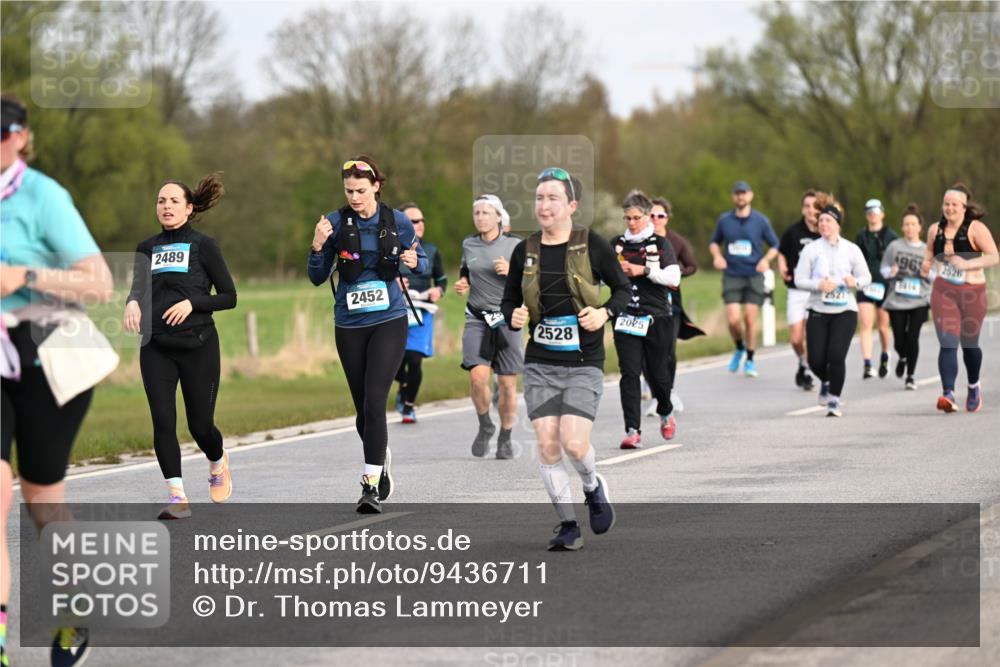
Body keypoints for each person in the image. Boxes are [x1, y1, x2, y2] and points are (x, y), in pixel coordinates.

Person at [1, 94, 114, 667]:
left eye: (0, 134)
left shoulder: (44, 197)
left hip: (48, 359)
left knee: (42, 503)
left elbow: (99, 284)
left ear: (20, 137)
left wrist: (21, 275)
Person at [500, 167, 631, 550]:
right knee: (547, 443)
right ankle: (568, 525)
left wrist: (604, 312)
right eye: (540, 198)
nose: (544, 205)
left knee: (574, 444)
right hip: (540, 361)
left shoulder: (593, 246)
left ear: (571, 205)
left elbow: (622, 291)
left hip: (583, 359)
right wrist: (514, 315)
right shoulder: (523, 250)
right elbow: (509, 300)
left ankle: (592, 485)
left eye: (553, 198)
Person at [308, 155, 426, 513]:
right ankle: (380, 456)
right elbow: (316, 276)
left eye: (361, 190)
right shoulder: (333, 222)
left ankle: (369, 485)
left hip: (389, 320)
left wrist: (413, 262)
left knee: (375, 401)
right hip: (349, 324)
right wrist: (316, 246)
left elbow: (419, 261)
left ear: (376, 186)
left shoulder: (399, 222)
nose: (355, 197)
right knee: (363, 410)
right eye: (349, 191)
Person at [124, 173, 236, 521]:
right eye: (161, 201)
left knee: (201, 426)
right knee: (162, 420)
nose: (166, 206)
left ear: (189, 208)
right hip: (156, 345)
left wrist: (194, 303)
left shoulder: (204, 245)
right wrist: (131, 302)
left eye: (174, 201)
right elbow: (139, 288)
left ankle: (217, 460)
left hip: (198, 345)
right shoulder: (146, 247)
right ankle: (177, 496)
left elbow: (229, 297)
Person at [454, 195, 523, 459]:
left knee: (506, 384)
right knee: (477, 377)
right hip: (477, 317)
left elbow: (530, 281)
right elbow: (465, 269)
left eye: (486, 212)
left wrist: (512, 272)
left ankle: (505, 436)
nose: (481, 217)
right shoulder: (469, 244)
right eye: (477, 213)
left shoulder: (515, 244)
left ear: (498, 217)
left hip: (508, 318)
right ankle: (485, 424)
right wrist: (463, 282)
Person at [612, 191, 681, 449]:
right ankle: (632, 430)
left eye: (637, 218)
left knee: (657, 375)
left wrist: (644, 270)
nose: (631, 223)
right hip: (625, 317)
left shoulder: (660, 244)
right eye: (627, 218)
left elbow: (674, 279)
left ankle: (665, 410)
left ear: (646, 216)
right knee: (629, 373)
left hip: (656, 318)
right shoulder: (616, 245)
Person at [921, 183, 998, 413]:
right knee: (948, 342)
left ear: (964, 207)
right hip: (944, 290)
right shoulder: (936, 229)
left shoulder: (976, 229)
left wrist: (968, 263)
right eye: (946, 204)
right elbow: (929, 252)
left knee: (969, 344)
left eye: (954, 204)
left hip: (973, 291)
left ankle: (973, 385)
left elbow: (994, 256)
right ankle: (948, 394)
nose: (949, 208)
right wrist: (926, 264)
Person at [794, 193, 872, 417]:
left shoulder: (851, 249)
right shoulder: (811, 249)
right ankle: (826, 380)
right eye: (820, 221)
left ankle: (834, 400)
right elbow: (799, 280)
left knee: (836, 356)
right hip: (818, 309)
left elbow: (866, 277)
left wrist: (854, 282)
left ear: (837, 224)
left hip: (845, 310)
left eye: (827, 220)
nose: (822, 224)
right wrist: (819, 284)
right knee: (816, 360)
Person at [709, 181, 780, 377]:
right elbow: (714, 243)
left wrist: (766, 260)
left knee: (749, 318)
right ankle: (739, 347)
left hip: (753, 274)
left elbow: (775, 245)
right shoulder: (724, 220)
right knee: (733, 320)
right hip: (732, 274)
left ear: (751, 195)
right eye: (737, 194)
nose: (741, 197)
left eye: (744, 193)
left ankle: (749, 359)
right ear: (734, 197)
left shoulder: (761, 220)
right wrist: (717, 257)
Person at [644, 197, 699, 416]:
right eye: (652, 215)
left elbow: (692, 266)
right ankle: (659, 395)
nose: (656, 219)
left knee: (668, 351)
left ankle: (669, 392)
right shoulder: (640, 240)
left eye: (661, 216)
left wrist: (675, 274)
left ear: (667, 218)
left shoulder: (675, 242)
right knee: (644, 355)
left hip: (671, 303)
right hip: (645, 303)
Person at [394, 202, 447, 424]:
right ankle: (404, 384)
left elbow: (442, 280)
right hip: (395, 311)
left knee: (414, 359)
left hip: (422, 310)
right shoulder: (391, 249)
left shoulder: (432, 251)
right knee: (394, 361)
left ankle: (408, 406)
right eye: (414, 221)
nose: (420, 224)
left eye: (421, 220)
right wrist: (393, 281)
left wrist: (438, 290)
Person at [880, 204, 932, 391]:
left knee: (913, 337)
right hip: (897, 299)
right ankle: (902, 356)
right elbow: (884, 269)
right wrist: (890, 272)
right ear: (902, 227)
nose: (909, 227)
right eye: (906, 224)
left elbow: (935, 274)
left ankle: (910, 375)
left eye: (913, 224)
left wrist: (927, 273)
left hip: (920, 299)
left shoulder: (927, 250)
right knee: (899, 340)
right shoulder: (894, 247)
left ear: (920, 227)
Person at [778, 189, 821, 391]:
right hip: (797, 290)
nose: (811, 210)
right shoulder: (792, 232)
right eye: (807, 206)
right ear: (803, 209)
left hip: (818, 292)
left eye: (814, 206)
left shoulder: (826, 230)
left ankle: (809, 371)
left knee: (812, 336)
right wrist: (782, 267)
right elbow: (781, 252)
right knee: (796, 338)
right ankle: (804, 363)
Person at [855, 199, 898, 379]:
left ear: (882, 213)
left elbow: (899, 256)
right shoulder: (860, 237)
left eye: (876, 211)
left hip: (885, 285)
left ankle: (885, 355)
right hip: (865, 285)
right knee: (865, 323)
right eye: (869, 211)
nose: (872, 214)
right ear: (866, 215)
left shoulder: (891, 236)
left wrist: (896, 268)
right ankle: (867, 364)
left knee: (882, 326)